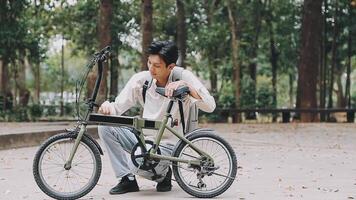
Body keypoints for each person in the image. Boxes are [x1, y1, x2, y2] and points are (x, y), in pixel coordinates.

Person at [97, 40, 216, 195]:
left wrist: (186, 86)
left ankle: (163, 174)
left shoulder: (183, 76)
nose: (151, 69)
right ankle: (127, 179)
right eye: (149, 63)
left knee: (139, 160)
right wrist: (107, 107)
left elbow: (210, 106)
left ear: (171, 66)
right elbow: (117, 108)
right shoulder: (142, 80)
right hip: (145, 139)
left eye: (157, 65)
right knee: (105, 126)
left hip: (172, 143)